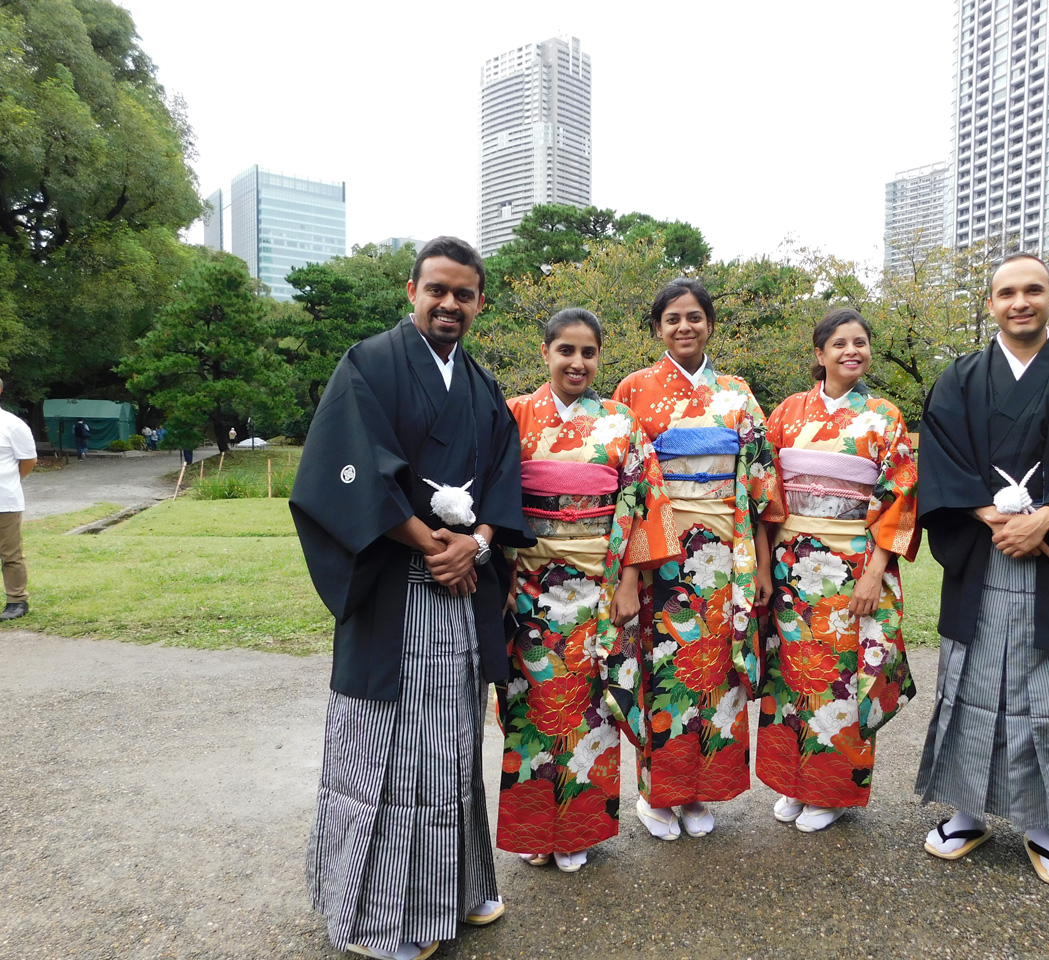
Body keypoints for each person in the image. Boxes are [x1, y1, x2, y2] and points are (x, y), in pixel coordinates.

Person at [290, 236, 535, 960]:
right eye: (438, 290)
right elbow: (346, 471)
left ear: (480, 302)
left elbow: (503, 479)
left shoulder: (485, 388)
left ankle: (457, 892)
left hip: (461, 590)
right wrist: (429, 542)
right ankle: (383, 920)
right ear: (412, 292)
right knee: (388, 756)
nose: (450, 304)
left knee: (453, 751)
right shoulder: (368, 364)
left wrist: (478, 544)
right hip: (395, 586)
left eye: (464, 293)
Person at [914, 253, 1049, 888]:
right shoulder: (959, 378)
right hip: (982, 553)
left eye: (1032, 290)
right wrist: (992, 517)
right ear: (990, 304)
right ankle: (967, 811)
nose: (1020, 302)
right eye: (1006, 292)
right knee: (971, 683)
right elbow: (941, 459)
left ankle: (1046, 826)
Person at [497, 308, 680, 872]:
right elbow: (495, 500)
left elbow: (646, 501)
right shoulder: (513, 417)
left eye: (589, 352)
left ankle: (577, 829)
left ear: (600, 357)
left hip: (599, 588)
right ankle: (534, 827)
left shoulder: (622, 423)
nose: (577, 362)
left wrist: (630, 581)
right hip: (529, 585)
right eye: (566, 351)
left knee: (591, 709)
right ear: (546, 353)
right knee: (533, 707)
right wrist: (500, 576)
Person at [612, 278, 782, 841]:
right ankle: (656, 791)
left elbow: (759, 486)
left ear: (710, 323)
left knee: (716, 673)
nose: (684, 327)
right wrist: (630, 572)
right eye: (672, 319)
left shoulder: (737, 393)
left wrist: (760, 565)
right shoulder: (634, 389)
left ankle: (700, 791)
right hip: (658, 552)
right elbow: (626, 488)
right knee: (660, 670)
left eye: (694, 317)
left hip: (724, 553)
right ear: (657, 328)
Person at [756, 309, 919, 833]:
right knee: (791, 677)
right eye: (841, 343)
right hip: (791, 566)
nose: (853, 351)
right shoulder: (786, 413)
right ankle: (792, 783)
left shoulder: (884, 416)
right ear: (819, 353)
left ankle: (829, 790)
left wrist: (875, 573)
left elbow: (898, 498)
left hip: (852, 565)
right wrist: (766, 561)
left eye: (861, 343)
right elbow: (765, 492)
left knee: (842, 680)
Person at [0, 378, 37, 622]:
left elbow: (29, 461)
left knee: (10, 553)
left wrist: (11, 481)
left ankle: (16, 601)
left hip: (4, 501)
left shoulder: (12, 425)